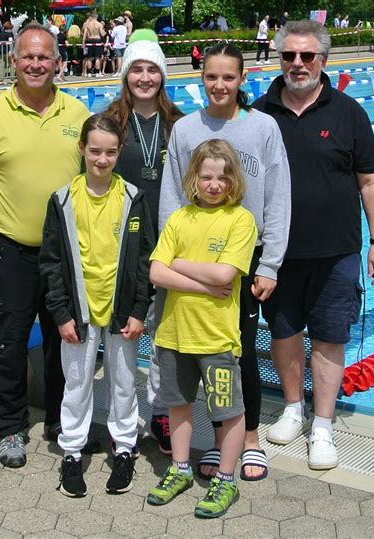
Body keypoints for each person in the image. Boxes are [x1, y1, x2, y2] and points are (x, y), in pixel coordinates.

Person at [253, 20, 374, 470]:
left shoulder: (349, 112)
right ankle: (293, 408)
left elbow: (370, 182)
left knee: (331, 337)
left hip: (337, 252)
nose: (297, 64)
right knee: (285, 332)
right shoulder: (259, 112)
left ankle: (324, 425)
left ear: (323, 61)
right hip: (277, 254)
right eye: (289, 56)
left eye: (306, 56)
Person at [0, 23, 91, 468]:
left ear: (57, 63)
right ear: (14, 61)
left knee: (64, 342)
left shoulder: (76, 114)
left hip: (66, 253)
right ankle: (9, 427)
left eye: (44, 57)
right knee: (8, 342)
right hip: (10, 248)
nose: (35, 64)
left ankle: (60, 419)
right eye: (27, 56)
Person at [159, 42, 291, 481]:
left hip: (242, 261)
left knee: (238, 354)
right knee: (197, 354)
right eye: (212, 77)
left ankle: (249, 438)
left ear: (242, 81)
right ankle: (219, 440)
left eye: (228, 77)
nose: (219, 85)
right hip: (188, 263)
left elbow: (277, 198)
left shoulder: (263, 127)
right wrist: (172, 260)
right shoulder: (185, 129)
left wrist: (270, 263)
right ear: (202, 80)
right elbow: (171, 201)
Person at [40, 113, 155, 497]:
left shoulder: (133, 199)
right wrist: (60, 313)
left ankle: (124, 447)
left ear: (120, 152)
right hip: (78, 312)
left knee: (124, 384)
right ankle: (72, 452)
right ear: (82, 150)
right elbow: (52, 263)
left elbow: (144, 261)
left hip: (122, 311)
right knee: (77, 385)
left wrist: (139, 310)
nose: (102, 160)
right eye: (95, 151)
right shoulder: (62, 200)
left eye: (109, 152)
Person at [147, 139, 257, 518]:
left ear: (233, 181)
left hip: (217, 338)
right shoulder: (180, 218)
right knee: (178, 404)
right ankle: (179, 469)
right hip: (174, 333)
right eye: (206, 176)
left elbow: (225, 273)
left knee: (228, 410)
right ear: (194, 177)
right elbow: (155, 271)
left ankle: (226, 479)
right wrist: (203, 284)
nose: (213, 184)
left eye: (221, 178)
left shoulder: (240, 220)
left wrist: (179, 263)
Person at [104, 30, 183, 455]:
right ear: (126, 74)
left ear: (163, 75)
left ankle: (161, 412)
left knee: (165, 338)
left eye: (153, 69)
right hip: (125, 248)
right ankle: (124, 414)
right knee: (126, 336)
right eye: (137, 68)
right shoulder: (111, 122)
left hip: (170, 249)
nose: (145, 77)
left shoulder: (180, 123)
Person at [82, 11, 106, 77]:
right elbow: (102, 34)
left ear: (92, 16)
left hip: (89, 40)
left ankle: (89, 73)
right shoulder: (99, 24)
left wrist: (83, 43)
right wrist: (104, 32)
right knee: (97, 57)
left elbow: (84, 34)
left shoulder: (87, 24)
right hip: (97, 40)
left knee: (89, 58)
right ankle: (97, 73)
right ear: (97, 16)